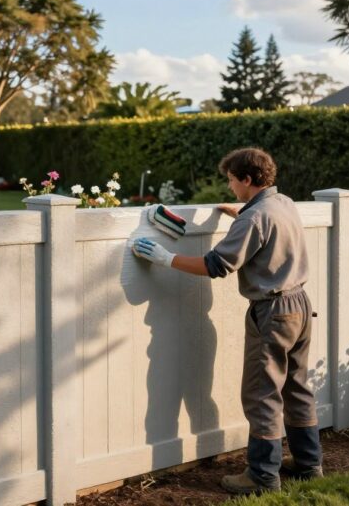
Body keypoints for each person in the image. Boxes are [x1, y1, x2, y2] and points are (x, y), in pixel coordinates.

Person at [131, 147, 322, 495]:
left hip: (273, 313)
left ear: (247, 179)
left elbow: (215, 265)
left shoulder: (254, 218)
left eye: (233, 181)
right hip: (300, 306)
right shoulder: (283, 204)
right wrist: (239, 212)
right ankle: (309, 465)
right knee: (297, 386)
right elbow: (264, 226)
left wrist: (165, 257)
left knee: (262, 394)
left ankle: (262, 476)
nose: (231, 186)